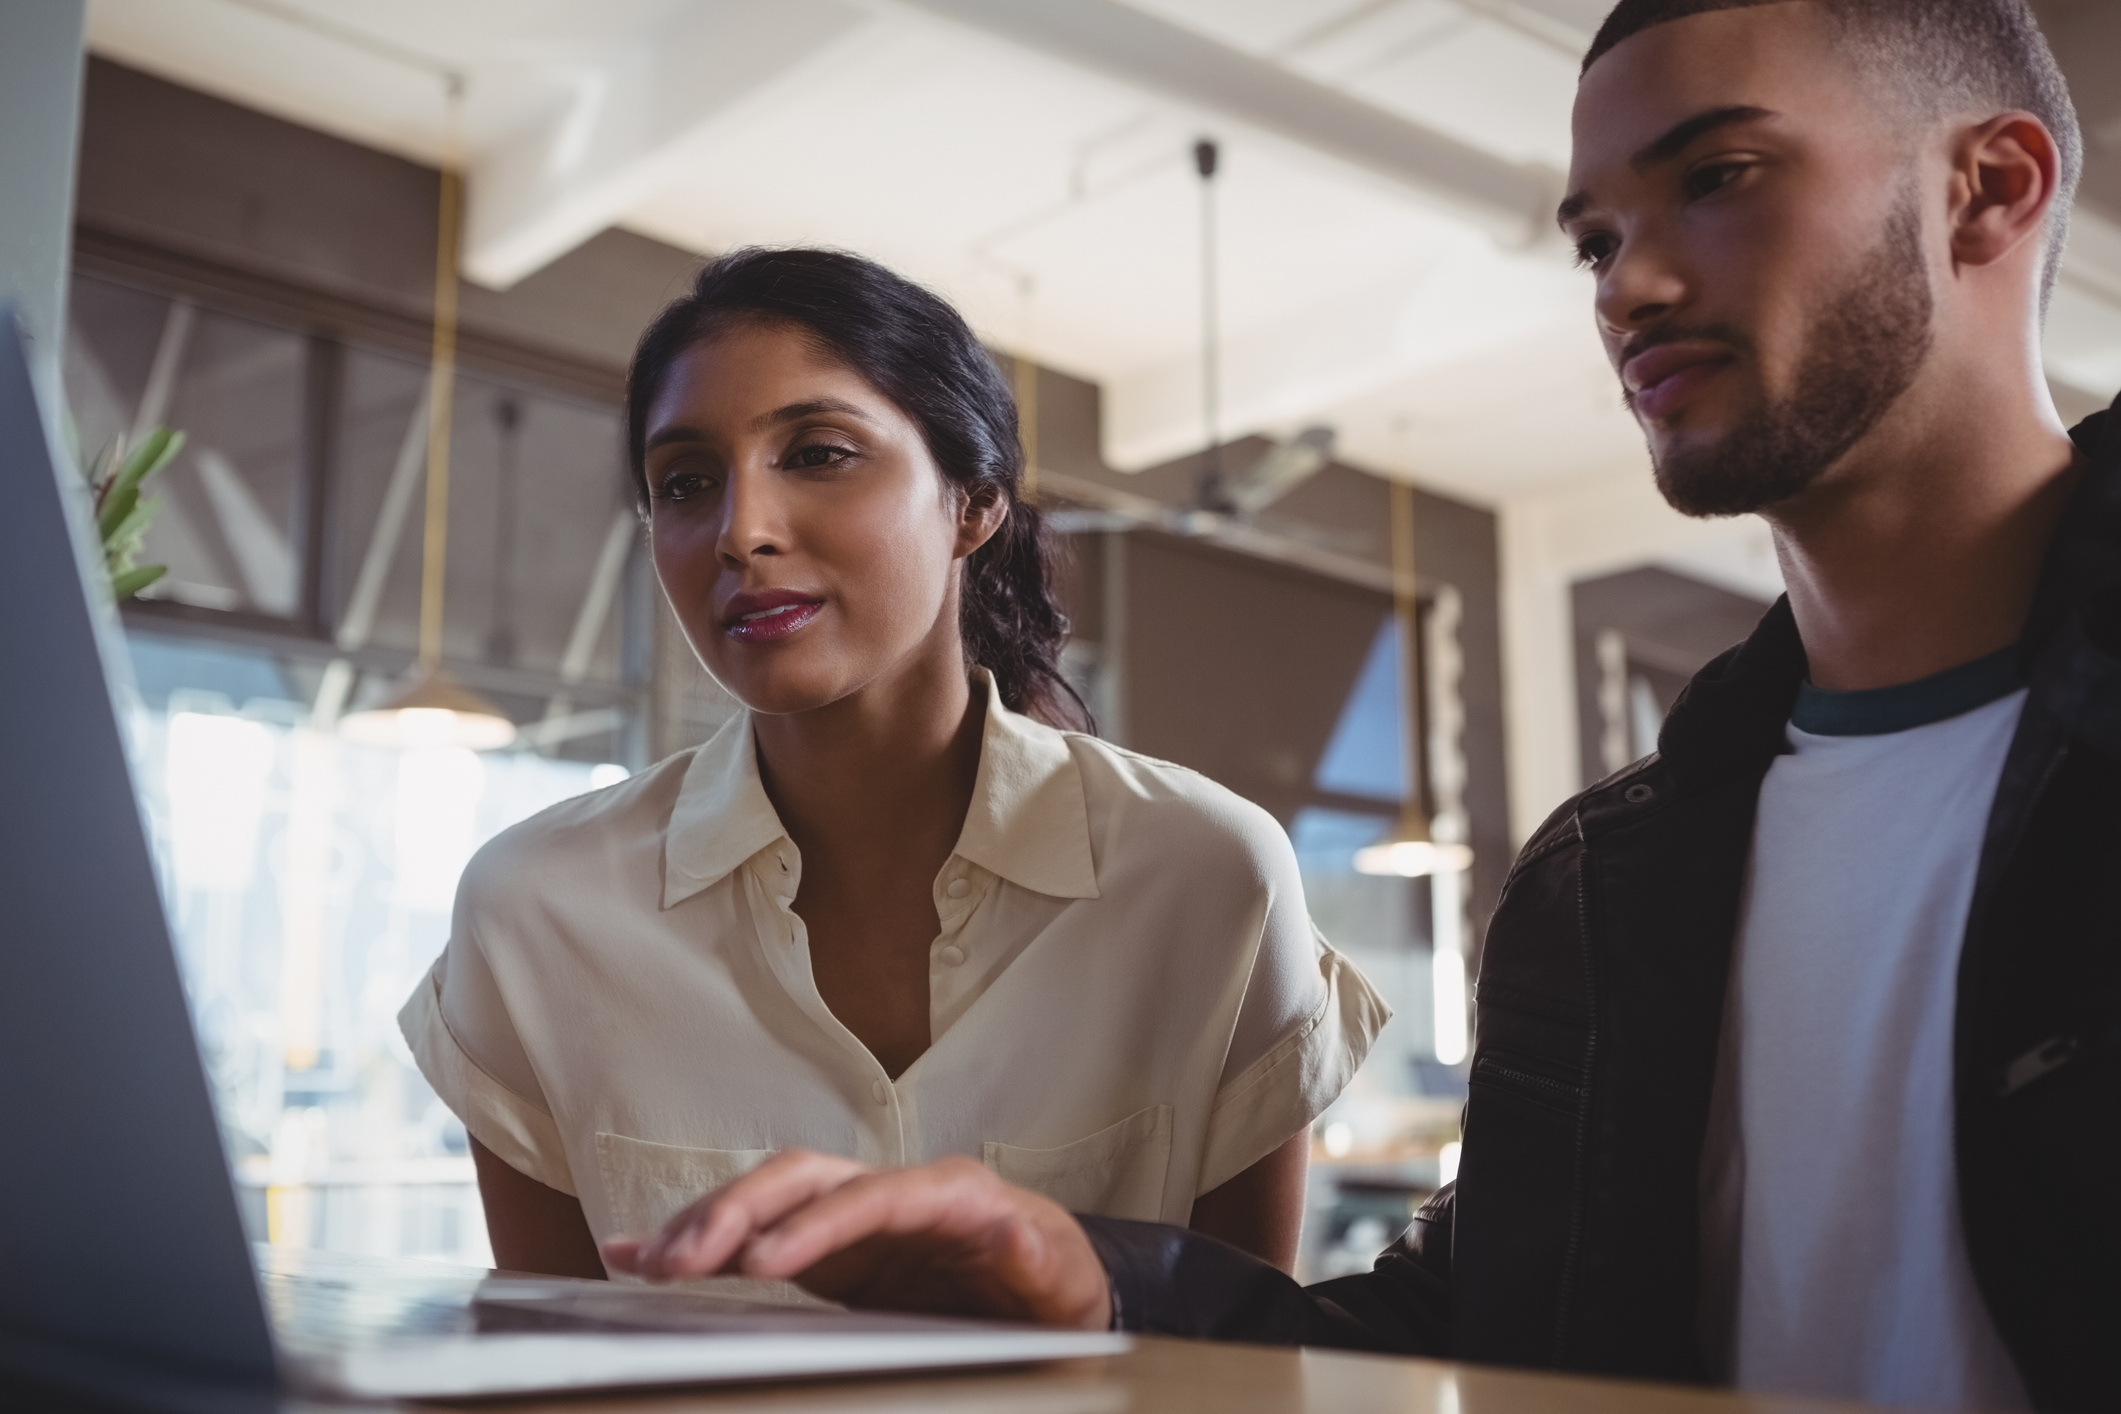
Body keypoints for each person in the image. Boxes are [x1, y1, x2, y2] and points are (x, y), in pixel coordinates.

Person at [600, 4, 2121, 1411]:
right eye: (1594, 243)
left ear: (1988, 188)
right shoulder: (1607, 882)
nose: (1632, 287)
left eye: (1718, 175)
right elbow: (1474, 1338)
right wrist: (1096, 1274)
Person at [397, 248, 1387, 1282]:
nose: (742, 531)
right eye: (686, 482)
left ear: (973, 501)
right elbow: (557, 1369)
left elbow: (1240, 1364)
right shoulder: (537, 909)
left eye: (818, 453)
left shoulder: (1208, 877)